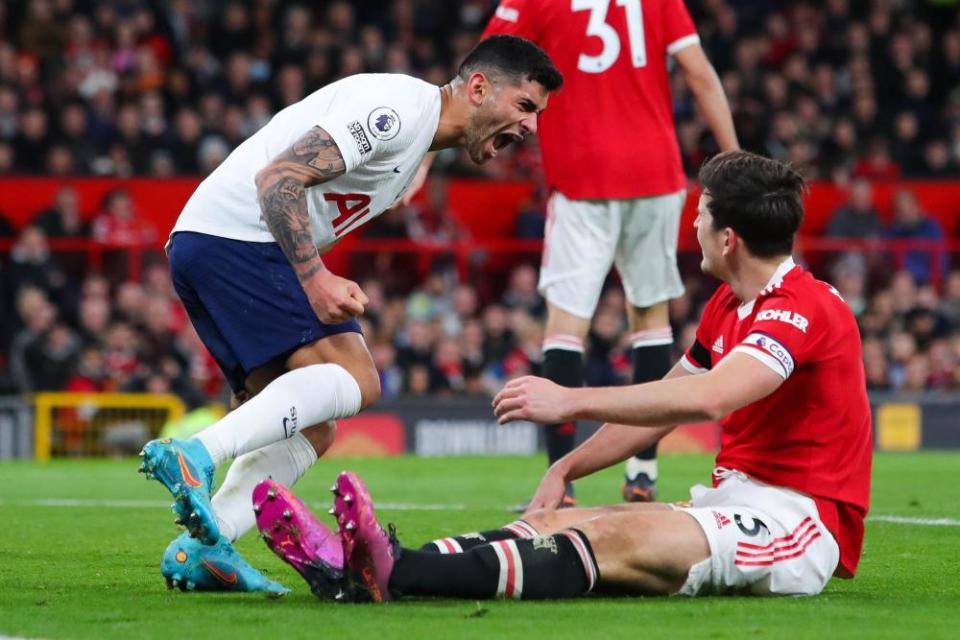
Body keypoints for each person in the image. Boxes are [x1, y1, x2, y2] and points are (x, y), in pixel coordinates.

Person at [253, 151, 871, 602]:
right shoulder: (729, 307)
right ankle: (358, 564)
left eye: (702, 215)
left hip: (797, 523)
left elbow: (708, 399)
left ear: (729, 238)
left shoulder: (802, 307)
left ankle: (392, 574)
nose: (693, 225)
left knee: (611, 538)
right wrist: (566, 467)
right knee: (552, 521)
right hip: (734, 501)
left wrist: (566, 398)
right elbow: (667, 405)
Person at [136, 35, 562, 594]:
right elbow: (278, 180)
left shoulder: (421, 133)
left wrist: (423, 166)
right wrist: (315, 277)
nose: (530, 126)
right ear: (478, 88)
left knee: (310, 427)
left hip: (206, 244)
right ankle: (196, 454)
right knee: (359, 378)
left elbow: (415, 150)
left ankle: (205, 549)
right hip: (240, 238)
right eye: (524, 107)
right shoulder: (398, 113)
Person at [480, 0, 739, 503]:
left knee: (565, 327)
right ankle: (642, 470)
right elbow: (700, 75)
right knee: (651, 320)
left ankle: (561, 480)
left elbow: (487, 65)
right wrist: (735, 160)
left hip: (582, 175)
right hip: (655, 174)